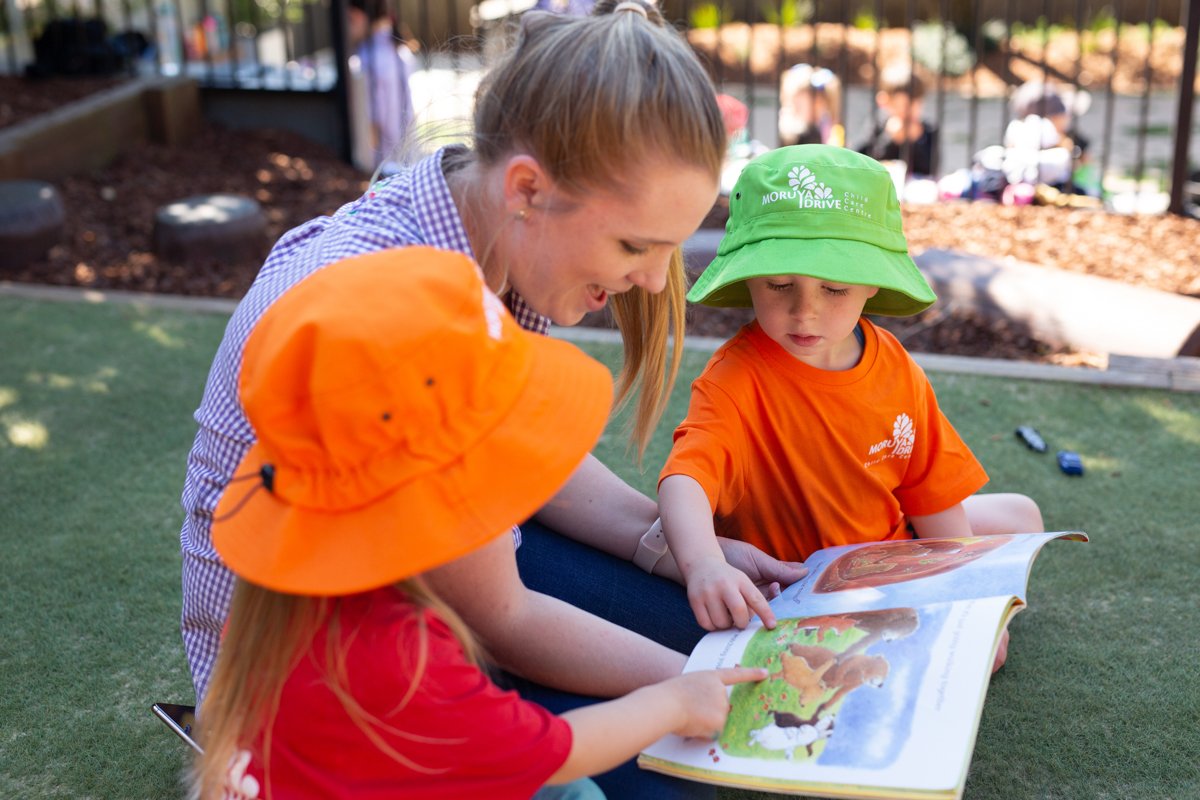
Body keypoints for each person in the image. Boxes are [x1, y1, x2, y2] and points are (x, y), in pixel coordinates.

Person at [177, 2, 804, 796]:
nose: (652, 279)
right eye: (634, 246)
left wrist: (673, 546)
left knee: (717, 632)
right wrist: (698, 693)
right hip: (329, 670)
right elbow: (502, 617)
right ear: (528, 188)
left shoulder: (486, 226)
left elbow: (508, 456)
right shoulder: (393, 303)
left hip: (407, 592)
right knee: (715, 762)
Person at [192, 247, 768, 800]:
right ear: (439, 507)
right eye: (506, 462)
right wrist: (674, 701)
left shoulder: (280, 611)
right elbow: (558, 750)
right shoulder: (409, 659)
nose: (526, 483)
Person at [657, 145, 1044, 667]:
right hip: (798, 587)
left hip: (885, 556)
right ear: (748, 278)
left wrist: (964, 600)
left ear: (871, 284)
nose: (805, 310)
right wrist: (703, 563)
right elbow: (686, 480)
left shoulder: (895, 365)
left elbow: (931, 495)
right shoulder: (735, 378)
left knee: (1024, 515)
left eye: (834, 288)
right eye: (779, 284)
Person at [347, 0, 415, 172]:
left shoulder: (368, 59)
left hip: (383, 166)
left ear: (357, 16)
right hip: (405, 157)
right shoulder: (397, 49)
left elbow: (372, 123)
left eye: (349, 19)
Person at [853, 63, 938, 179]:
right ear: (885, 101)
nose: (910, 111)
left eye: (917, 104)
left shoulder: (928, 130)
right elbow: (862, 158)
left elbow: (932, 168)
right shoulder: (878, 124)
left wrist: (918, 141)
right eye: (904, 105)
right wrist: (890, 139)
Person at [777, 63, 844, 148]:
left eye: (822, 100)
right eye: (812, 98)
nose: (818, 105)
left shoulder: (829, 127)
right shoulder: (789, 127)